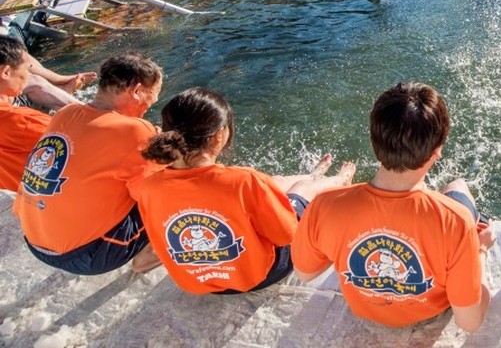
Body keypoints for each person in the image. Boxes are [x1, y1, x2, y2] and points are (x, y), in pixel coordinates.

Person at [291, 82, 493, 330]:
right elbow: (470, 323)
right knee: (458, 186)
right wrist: (480, 251)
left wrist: (341, 243)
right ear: (437, 151)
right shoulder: (456, 221)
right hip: (430, 311)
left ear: (374, 141)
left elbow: (305, 273)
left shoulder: (325, 205)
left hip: (365, 311)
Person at [131, 88, 354, 294]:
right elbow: (288, 236)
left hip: (200, 282)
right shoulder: (243, 180)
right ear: (218, 136)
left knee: (273, 182)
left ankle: (312, 175)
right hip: (260, 276)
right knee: (301, 190)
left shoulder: (149, 187)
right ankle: (337, 180)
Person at [14, 53, 166, 275]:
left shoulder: (65, 114)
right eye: (152, 98)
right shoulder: (136, 130)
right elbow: (159, 191)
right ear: (137, 91)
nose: (148, 107)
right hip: (88, 256)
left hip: (33, 239)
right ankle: (146, 260)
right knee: (177, 186)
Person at [0, 36, 51, 192]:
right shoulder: (23, 120)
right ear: (6, 72)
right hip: (34, 198)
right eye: (27, 69)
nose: (29, 76)